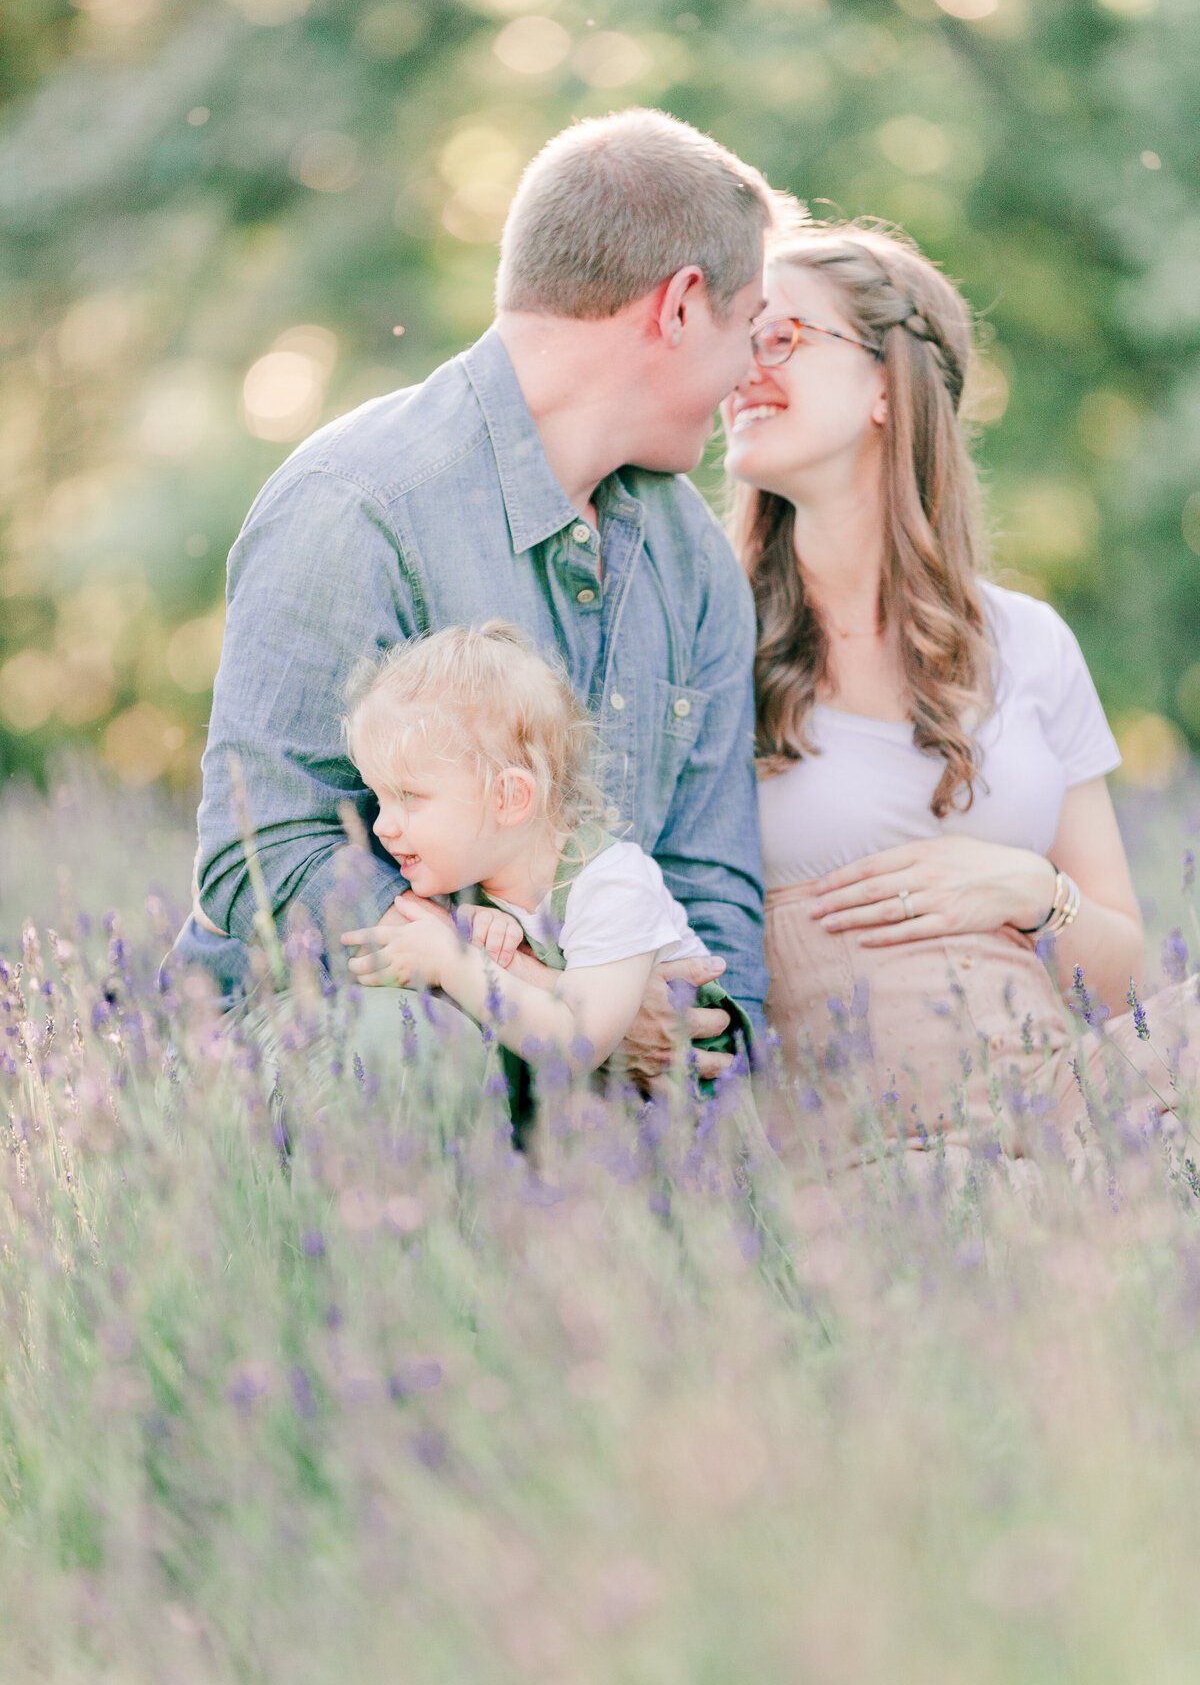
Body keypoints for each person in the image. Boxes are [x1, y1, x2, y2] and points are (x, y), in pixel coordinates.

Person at [172, 108, 788, 1080]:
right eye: (750, 329)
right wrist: (545, 998)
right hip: (346, 1036)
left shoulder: (695, 561)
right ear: (679, 306)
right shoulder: (354, 507)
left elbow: (713, 874)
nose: (752, 371)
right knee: (421, 1062)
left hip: (623, 1063)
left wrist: (692, 1029)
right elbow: (274, 855)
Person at [725, 219, 1186, 1176]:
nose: (741, 369)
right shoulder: (704, 643)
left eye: (780, 337)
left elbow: (1122, 982)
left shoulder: (1030, 643)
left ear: (887, 381)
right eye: (736, 340)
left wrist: (1032, 893)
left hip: (1056, 1100)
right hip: (849, 1138)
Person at [339, 622, 745, 1095]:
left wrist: (453, 961)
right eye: (379, 796)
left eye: (409, 796)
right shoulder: (469, 881)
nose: (383, 824)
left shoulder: (613, 887)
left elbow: (576, 1045)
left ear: (509, 798)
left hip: (680, 1138)